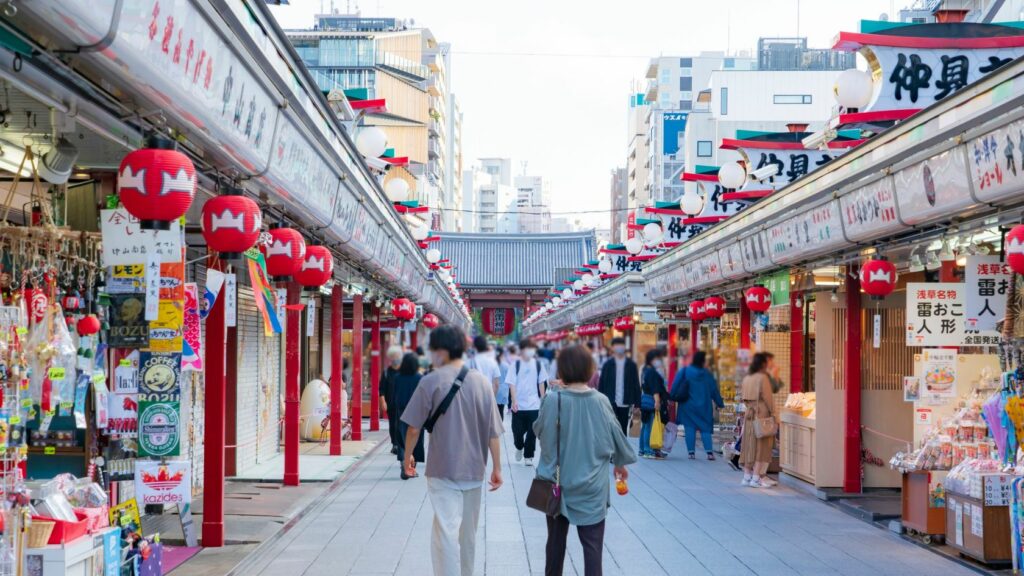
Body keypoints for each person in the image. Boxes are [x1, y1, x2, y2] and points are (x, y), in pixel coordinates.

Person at [400, 325, 504, 576]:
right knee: (468, 533)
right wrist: (497, 468)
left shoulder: (431, 380)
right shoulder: (481, 382)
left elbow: (414, 428)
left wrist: (407, 459)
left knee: (445, 531)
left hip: (442, 469)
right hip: (474, 469)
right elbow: (493, 431)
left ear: (441, 351)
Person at [533, 345, 637, 576]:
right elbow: (617, 437)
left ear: (562, 371)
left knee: (555, 546)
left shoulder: (552, 400)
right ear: (590, 369)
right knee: (592, 550)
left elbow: (539, 431)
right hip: (592, 487)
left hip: (557, 484)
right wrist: (619, 464)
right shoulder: (600, 401)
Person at [675, 351, 725, 460]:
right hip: (705, 406)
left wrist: (671, 397)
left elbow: (675, 385)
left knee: (689, 428)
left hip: (687, 406)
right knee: (705, 429)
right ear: (703, 361)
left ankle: (691, 453)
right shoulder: (707, 374)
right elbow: (714, 390)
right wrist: (720, 403)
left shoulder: (685, 371)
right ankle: (709, 453)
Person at [506, 338, 549, 466]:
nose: (531, 351)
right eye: (528, 348)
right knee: (517, 432)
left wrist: (543, 400)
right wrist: (514, 401)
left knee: (532, 432)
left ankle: (529, 455)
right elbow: (511, 384)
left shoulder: (538, 364)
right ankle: (519, 447)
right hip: (519, 405)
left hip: (534, 405)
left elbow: (542, 383)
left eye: (532, 349)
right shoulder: (515, 365)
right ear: (522, 350)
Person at [739, 352, 777, 489]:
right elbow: (768, 399)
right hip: (762, 415)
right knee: (762, 447)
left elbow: (742, 396)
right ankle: (756, 478)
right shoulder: (763, 378)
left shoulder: (747, 378)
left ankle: (746, 476)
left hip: (749, 414)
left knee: (749, 446)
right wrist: (775, 415)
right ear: (763, 364)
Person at [597, 337, 641, 435]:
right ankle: (613, 449)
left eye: (621, 345)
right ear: (612, 348)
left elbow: (636, 384)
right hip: (610, 401)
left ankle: (622, 449)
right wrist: (599, 401)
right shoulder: (608, 365)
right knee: (611, 428)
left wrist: (637, 404)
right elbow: (602, 383)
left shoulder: (631, 365)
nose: (619, 347)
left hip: (625, 401)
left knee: (623, 429)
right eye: (616, 345)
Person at [394, 353, 425, 479]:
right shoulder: (420, 377)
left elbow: (394, 393)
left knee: (402, 437)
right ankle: (411, 468)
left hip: (401, 410)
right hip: (417, 411)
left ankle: (404, 462)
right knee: (416, 438)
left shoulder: (397, 377)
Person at [639, 348, 668, 459]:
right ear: (652, 359)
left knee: (645, 425)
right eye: (657, 358)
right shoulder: (652, 372)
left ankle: (642, 449)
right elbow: (654, 389)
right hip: (651, 400)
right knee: (649, 426)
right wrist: (657, 401)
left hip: (644, 400)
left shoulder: (645, 370)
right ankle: (647, 450)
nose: (659, 361)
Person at [468, 336, 503, 418]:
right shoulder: (492, 362)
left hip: (473, 399)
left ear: (474, 347)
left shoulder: (469, 362)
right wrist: (492, 398)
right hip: (488, 397)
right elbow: (496, 384)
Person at [381, 345, 404, 454]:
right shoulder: (386, 372)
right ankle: (394, 444)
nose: (395, 358)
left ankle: (400, 444)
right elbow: (382, 389)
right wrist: (383, 401)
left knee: (401, 424)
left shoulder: (404, 371)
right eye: (393, 356)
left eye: (397, 356)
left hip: (402, 403)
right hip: (391, 403)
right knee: (392, 424)